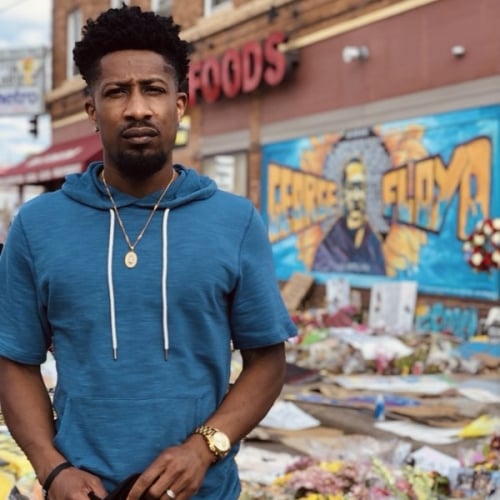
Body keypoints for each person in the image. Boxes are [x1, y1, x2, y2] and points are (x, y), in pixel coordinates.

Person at [0, 5, 297, 500]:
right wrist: (52, 470)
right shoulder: (38, 226)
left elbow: (267, 359)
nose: (138, 108)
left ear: (179, 105)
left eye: (153, 90)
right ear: (91, 109)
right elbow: (14, 360)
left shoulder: (235, 221)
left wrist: (205, 448)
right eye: (117, 92)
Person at [312, 157, 386, 274]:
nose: (356, 197)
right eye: (351, 188)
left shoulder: (374, 244)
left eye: (360, 187)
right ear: (343, 193)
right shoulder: (328, 246)